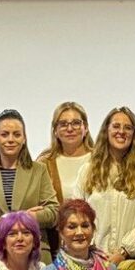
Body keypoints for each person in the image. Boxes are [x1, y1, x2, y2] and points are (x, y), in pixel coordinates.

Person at [0, 109, 60, 263]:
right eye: (4, 134)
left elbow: (54, 211)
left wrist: (29, 218)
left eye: (16, 134)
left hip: (33, 253)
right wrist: (2, 221)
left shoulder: (39, 170)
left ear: (24, 139)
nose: (10, 139)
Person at [70, 106, 135, 263]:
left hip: (133, 262)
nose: (121, 131)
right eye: (116, 126)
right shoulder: (87, 170)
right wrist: (92, 250)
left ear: (134, 134)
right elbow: (77, 213)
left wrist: (124, 251)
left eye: (128, 128)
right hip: (91, 260)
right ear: (106, 131)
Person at [37, 102, 95, 254]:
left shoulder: (101, 160)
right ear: (55, 130)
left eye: (76, 123)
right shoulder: (44, 163)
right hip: (56, 247)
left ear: (86, 127)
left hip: (97, 245)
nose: (70, 129)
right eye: (63, 124)